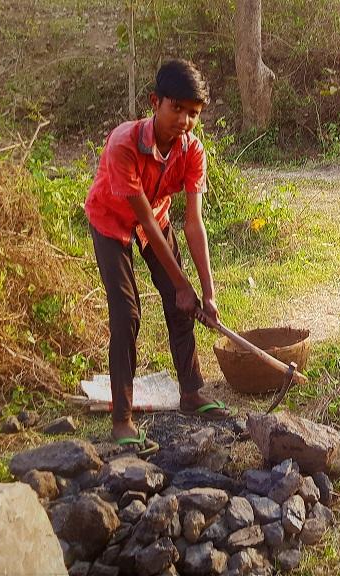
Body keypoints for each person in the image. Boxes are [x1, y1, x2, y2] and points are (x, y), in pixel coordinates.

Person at [85, 59, 229, 455]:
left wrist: (206, 292)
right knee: (127, 314)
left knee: (183, 307)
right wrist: (182, 285)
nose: (184, 120)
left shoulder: (192, 150)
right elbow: (142, 219)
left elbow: (193, 224)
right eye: (176, 108)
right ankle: (122, 419)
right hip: (113, 222)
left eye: (194, 114)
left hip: (157, 223)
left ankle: (192, 392)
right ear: (155, 102)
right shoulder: (123, 144)